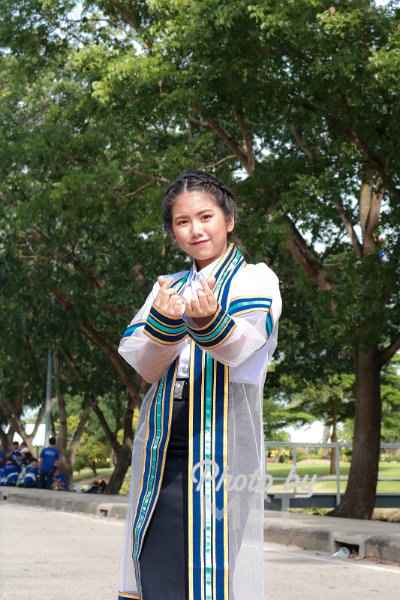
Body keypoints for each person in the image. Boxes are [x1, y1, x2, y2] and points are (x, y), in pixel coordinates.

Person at [117, 171, 282, 600]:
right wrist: (167, 324)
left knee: (210, 563)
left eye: (205, 216)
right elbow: (147, 368)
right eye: (182, 221)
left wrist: (208, 322)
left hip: (220, 438)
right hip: (163, 437)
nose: (196, 229)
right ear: (173, 231)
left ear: (228, 219)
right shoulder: (167, 288)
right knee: (153, 559)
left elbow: (240, 349)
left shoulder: (256, 279)